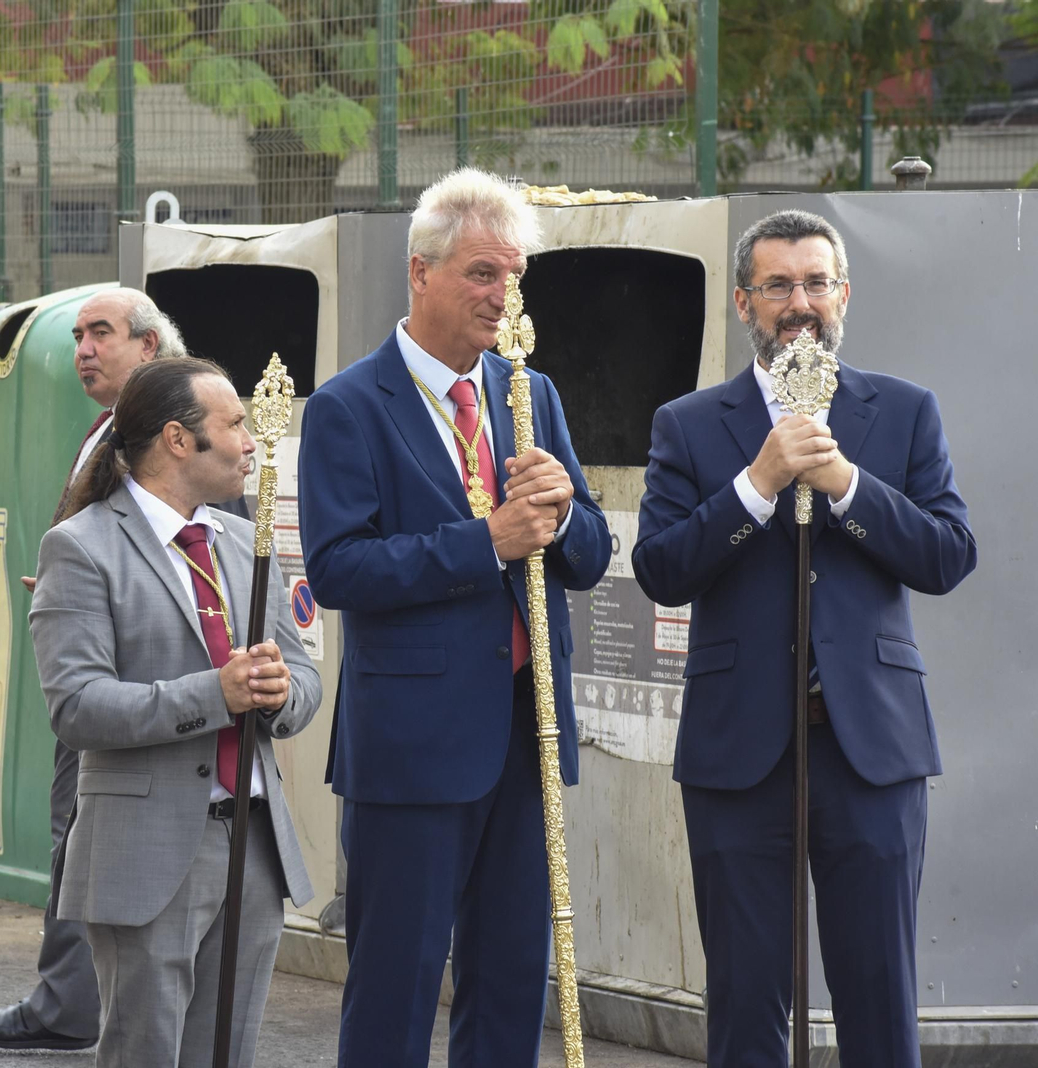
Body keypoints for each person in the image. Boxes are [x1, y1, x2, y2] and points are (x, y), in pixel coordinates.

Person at [632, 210, 976, 1068]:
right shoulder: (689, 423)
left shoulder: (901, 412)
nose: (800, 304)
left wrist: (847, 483)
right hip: (739, 755)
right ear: (745, 302)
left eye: (816, 282)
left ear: (844, 295)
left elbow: (947, 555)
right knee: (747, 1005)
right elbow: (661, 569)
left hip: (872, 753)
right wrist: (759, 482)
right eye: (779, 285)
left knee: (878, 999)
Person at [297, 167, 611, 1067]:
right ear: (420, 273)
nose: (500, 294)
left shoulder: (531, 392)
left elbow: (585, 553)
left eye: (512, 275)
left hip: (528, 728)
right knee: (397, 983)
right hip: (412, 745)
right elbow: (339, 567)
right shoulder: (351, 405)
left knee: (512, 977)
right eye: (481, 273)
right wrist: (491, 542)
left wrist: (564, 514)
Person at [28, 356, 321, 1068]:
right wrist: (212, 694)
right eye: (236, 425)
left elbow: (306, 674)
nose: (252, 442)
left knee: (228, 1052)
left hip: (253, 844)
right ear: (178, 440)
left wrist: (283, 695)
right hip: (145, 848)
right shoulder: (82, 545)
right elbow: (77, 706)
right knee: (145, 1053)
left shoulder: (241, 544)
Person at [0, 286, 229, 1053]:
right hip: (99, 680)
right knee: (76, 842)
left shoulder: (202, 457)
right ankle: (67, 996)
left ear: (149, 348)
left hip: (170, 729)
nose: (83, 349)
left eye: (101, 334)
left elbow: (201, 573)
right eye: (79, 334)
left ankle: (66, 1000)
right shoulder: (105, 432)